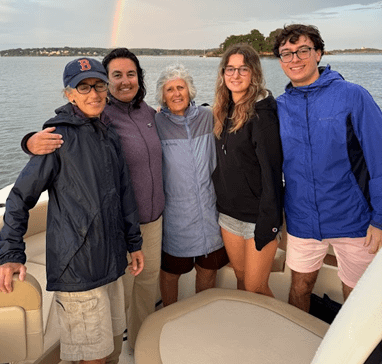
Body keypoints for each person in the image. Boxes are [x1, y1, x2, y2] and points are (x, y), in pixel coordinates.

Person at [0, 58, 144, 364]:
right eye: (83, 87)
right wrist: (10, 254)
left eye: (99, 85)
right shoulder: (56, 138)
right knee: (92, 355)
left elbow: (124, 193)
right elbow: (19, 198)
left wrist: (134, 243)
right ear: (70, 94)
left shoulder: (108, 134)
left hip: (111, 260)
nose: (94, 93)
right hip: (79, 268)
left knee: (106, 346)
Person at [22, 48, 164, 364]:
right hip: (98, 245)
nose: (123, 81)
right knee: (103, 330)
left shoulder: (145, 115)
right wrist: (28, 141)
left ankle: (141, 351)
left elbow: (127, 185)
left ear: (139, 78)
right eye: (115, 75)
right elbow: (28, 183)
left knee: (136, 302)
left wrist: (134, 240)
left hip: (143, 226)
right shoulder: (90, 122)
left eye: (131, 74)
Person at [273, 24, 382, 312]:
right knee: (300, 288)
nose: (295, 59)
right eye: (286, 54)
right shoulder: (279, 107)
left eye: (303, 51)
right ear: (280, 61)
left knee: (357, 297)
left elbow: (379, 158)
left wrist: (380, 219)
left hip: (355, 220)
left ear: (318, 53)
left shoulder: (353, 96)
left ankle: (355, 357)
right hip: (302, 219)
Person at [212, 44, 283, 296]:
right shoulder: (223, 110)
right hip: (229, 215)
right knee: (241, 279)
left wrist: (269, 222)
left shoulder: (263, 115)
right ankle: (251, 333)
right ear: (223, 74)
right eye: (230, 69)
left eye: (243, 69)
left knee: (256, 286)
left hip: (258, 218)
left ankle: (275, 333)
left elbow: (272, 173)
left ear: (254, 73)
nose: (236, 75)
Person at [155, 65, 229, 306]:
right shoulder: (155, 123)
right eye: (169, 89)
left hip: (210, 212)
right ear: (162, 96)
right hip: (176, 216)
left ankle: (201, 317)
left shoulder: (208, 117)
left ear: (190, 91)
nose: (176, 94)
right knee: (171, 272)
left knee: (208, 270)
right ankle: (169, 315)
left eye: (181, 87)